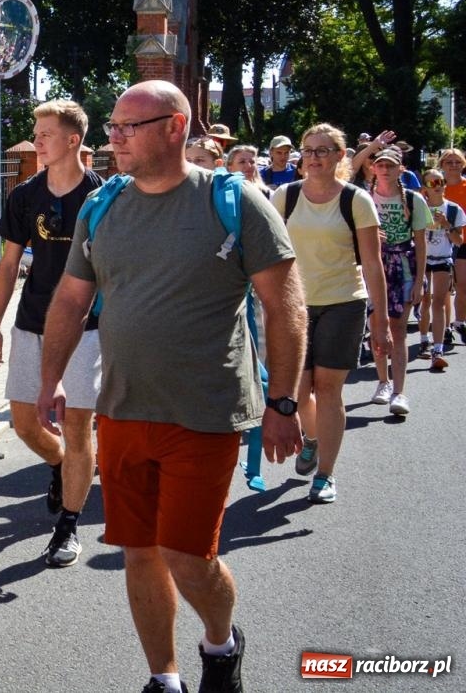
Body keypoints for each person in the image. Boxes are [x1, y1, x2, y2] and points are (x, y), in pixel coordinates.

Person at [40, 80, 306, 693]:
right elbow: (72, 299)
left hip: (206, 413)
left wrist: (284, 401)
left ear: (175, 127)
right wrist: (51, 378)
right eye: (111, 127)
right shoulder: (101, 206)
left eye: (128, 127)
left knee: (189, 555)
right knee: (138, 551)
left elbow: (284, 305)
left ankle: (221, 643)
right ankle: (164, 677)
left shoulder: (232, 200)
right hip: (124, 409)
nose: (114, 139)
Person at [0, 99, 103, 568]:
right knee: (24, 422)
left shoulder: (101, 196)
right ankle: (59, 466)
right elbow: (9, 264)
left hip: (86, 328)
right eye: (36, 132)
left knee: (77, 426)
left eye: (46, 133)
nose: (36, 140)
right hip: (32, 321)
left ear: (73, 140)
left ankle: (69, 526)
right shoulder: (24, 195)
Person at [269, 125, 384, 504]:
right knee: (301, 392)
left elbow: (372, 263)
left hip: (343, 301)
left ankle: (326, 474)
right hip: (295, 305)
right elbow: (266, 251)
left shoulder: (356, 200)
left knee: (329, 389)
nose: (314, 157)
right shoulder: (285, 196)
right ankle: (312, 439)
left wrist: (379, 320)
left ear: (340, 156)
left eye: (323, 150)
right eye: (309, 150)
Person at [367, 147, 428, 414]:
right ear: (373, 169)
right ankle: (383, 382)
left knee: (399, 330)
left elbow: (421, 244)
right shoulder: (364, 198)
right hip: (372, 265)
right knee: (376, 325)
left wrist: (419, 282)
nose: (385, 169)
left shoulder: (414, 200)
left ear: (400, 169)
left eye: (390, 165)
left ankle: (400, 392)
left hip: (403, 265)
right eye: (380, 165)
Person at [419, 169, 464, 371]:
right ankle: (423, 339)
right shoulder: (418, 207)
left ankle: (437, 350)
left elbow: (459, 241)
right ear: (425, 188)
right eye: (432, 183)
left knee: (438, 302)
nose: (437, 185)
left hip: (442, 260)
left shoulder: (453, 209)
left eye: (441, 181)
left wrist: (446, 225)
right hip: (421, 260)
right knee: (424, 300)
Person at [440, 148, 466, 344]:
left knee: (462, 285)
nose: (454, 165)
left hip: (463, 241)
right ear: (442, 165)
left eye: (457, 161)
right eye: (449, 162)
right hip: (439, 242)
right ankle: (445, 326)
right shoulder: (435, 185)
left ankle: (460, 322)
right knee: (445, 288)